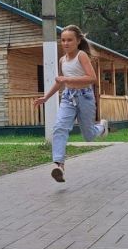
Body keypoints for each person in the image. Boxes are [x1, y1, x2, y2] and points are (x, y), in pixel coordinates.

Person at [34, 25, 108, 182]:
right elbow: (60, 81)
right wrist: (46, 98)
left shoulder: (81, 56)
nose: (66, 43)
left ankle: (101, 128)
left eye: (69, 40)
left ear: (78, 41)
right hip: (68, 97)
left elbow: (92, 78)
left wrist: (67, 79)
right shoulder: (62, 60)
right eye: (63, 40)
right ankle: (59, 165)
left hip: (85, 97)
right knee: (60, 127)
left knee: (88, 136)